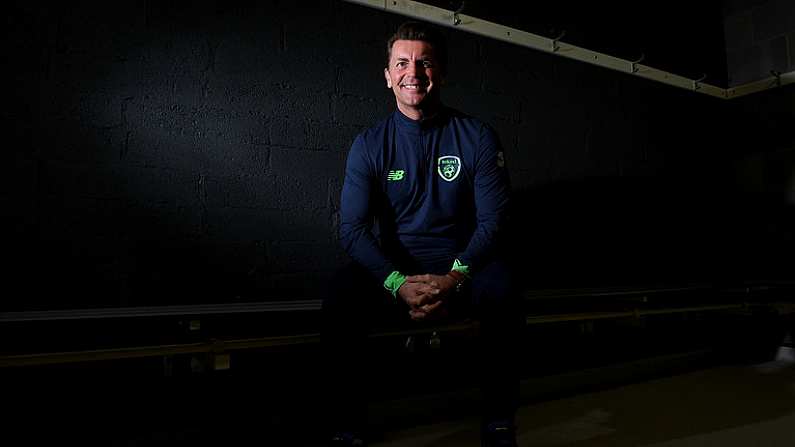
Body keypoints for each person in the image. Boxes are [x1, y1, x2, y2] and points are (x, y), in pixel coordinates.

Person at [322, 20, 521, 447]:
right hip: (397, 273)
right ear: (388, 76)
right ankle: (347, 427)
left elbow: (493, 222)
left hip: (459, 268)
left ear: (441, 74)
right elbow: (352, 229)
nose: (414, 72)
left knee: (505, 288)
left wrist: (453, 279)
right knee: (340, 293)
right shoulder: (369, 144)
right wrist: (396, 284)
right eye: (402, 63)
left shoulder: (477, 137)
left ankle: (500, 421)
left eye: (425, 62)